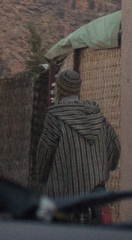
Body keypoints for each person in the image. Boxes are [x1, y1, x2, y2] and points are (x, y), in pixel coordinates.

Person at [34, 69, 120, 210]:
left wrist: (42, 176)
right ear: (78, 89)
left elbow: (46, 151)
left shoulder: (55, 117)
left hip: (64, 195)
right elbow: (115, 145)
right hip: (96, 194)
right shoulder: (96, 115)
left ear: (59, 90)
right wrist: (107, 164)